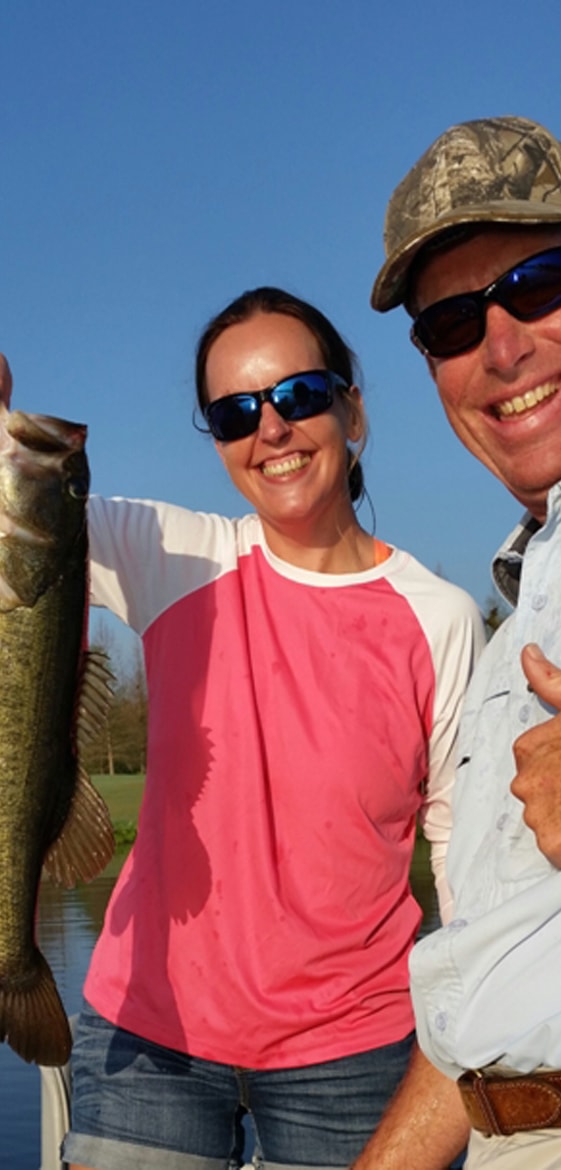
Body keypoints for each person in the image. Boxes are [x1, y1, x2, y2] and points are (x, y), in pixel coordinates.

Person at [2, 287, 483, 1169]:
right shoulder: (176, 556)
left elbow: (457, 856)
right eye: (234, 414)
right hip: (148, 1038)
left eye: (297, 396)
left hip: (358, 1055)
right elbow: (26, 521)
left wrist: (463, 1037)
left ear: (353, 409)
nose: (271, 429)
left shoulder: (442, 618)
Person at [351, 115, 561, 1169]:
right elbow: (488, 999)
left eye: (536, 283)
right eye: (449, 323)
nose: (500, 344)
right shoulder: (511, 623)